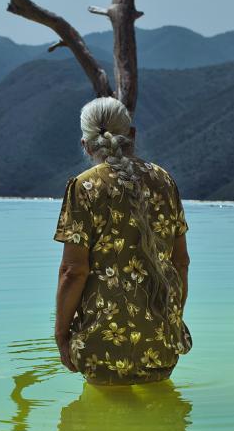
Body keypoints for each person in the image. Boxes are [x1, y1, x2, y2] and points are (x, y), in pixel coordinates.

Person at [52, 96, 192, 385]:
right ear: (132, 134)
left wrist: (61, 334)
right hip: (162, 342)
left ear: (85, 144)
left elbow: (73, 272)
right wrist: (172, 321)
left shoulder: (84, 187)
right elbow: (181, 262)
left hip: (100, 345)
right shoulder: (164, 181)